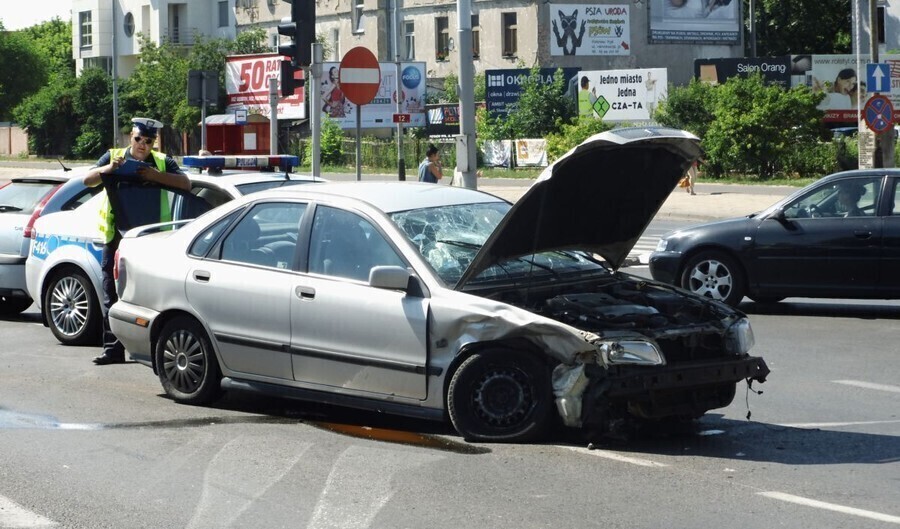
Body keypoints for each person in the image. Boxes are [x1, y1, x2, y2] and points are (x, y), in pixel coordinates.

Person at [83, 117, 190, 365]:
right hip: (117, 238)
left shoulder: (162, 162)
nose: (142, 144)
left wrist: (155, 175)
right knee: (111, 294)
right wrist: (108, 170)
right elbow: (87, 181)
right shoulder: (113, 155)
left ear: (154, 142)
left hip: (151, 241)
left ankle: (148, 350)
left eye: (148, 141)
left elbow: (186, 184)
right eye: (138, 139)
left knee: (149, 298)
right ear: (130, 136)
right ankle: (113, 350)